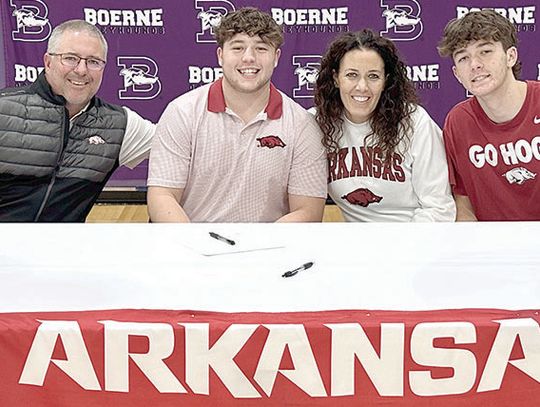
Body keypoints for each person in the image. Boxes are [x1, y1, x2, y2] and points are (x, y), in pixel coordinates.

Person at [147, 7, 327, 222]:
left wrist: (261, 249)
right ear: (220, 55)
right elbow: (162, 196)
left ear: (276, 57)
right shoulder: (182, 112)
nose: (249, 58)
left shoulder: (302, 124)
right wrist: (195, 248)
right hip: (194, 247)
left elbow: (307, 211)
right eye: (238, 48)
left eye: (261, 48)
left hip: (270, 248)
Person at [0, 19, 154, 222]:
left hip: (63, 251)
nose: (81, 70)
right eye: (70, 58)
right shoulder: (4, 110)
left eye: (93, 62)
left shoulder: (120, 124)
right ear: (48, 62)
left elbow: (183, 143)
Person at [314, 29, 455, 222]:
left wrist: (401, 249)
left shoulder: (414, 121)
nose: (362, 86)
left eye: (373, 76)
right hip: (358, 246)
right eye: (351, 75)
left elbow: (439, 208)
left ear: (385, 81)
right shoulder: (316, 124)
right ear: (336, 78)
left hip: (416, 242)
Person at [438, 10, 539, 221]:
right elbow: (463, 203)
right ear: (457, 74)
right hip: (492, 249)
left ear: (510, 56)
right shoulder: (458, 122)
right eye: (464, 58)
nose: (474, 64)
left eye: (485, 51)